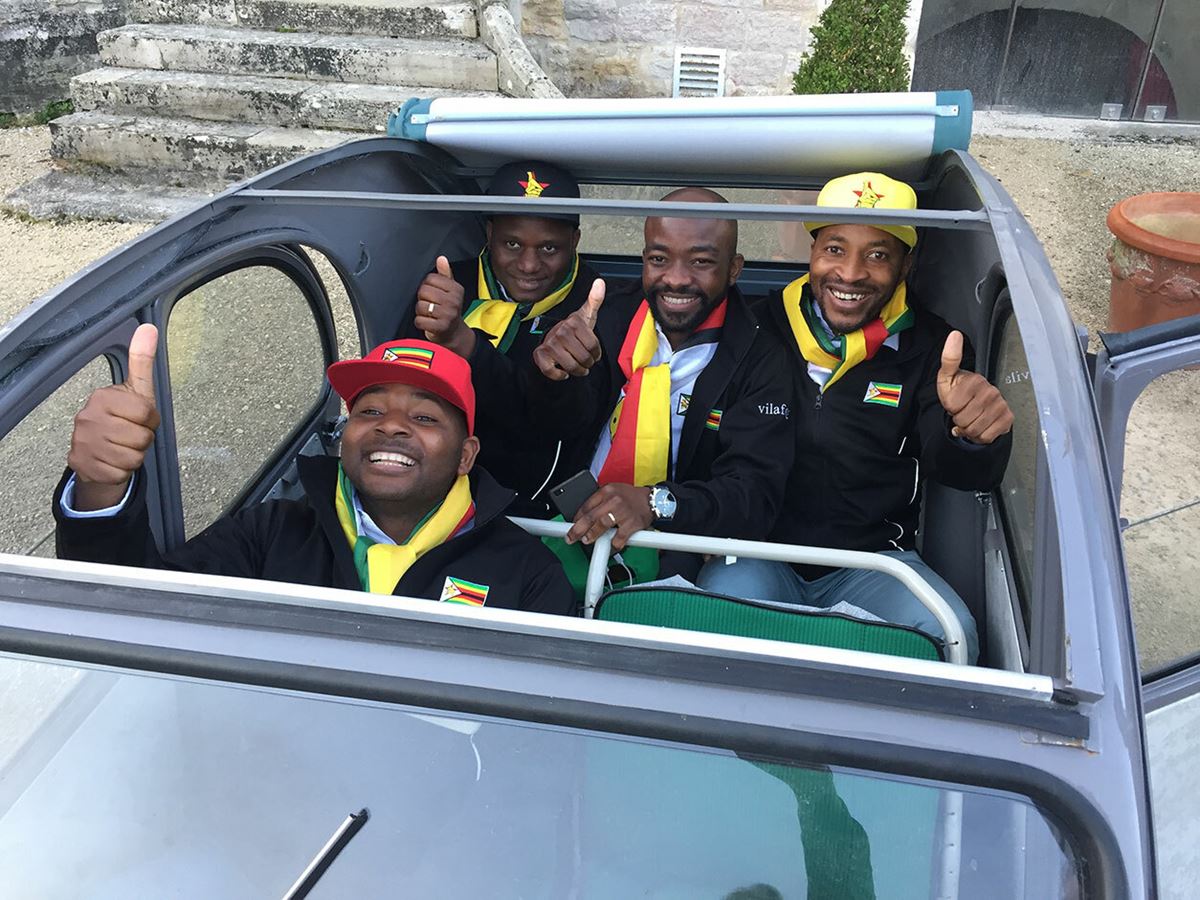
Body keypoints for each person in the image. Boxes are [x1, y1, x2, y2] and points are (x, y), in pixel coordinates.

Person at [699, 172, 1014, 663]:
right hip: (760, 552)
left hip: (874, 564)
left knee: (949, 635)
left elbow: (954, 465)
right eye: (834, 249)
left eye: (878, 255)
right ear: (812, 252)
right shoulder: (757, 327)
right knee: (711, 623)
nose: (850, 273)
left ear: (907, 264)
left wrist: (971, 434)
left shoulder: (933, 347)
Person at [53, 327, 576, 615]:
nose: (391, 426)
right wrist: (102, 486)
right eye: (370, 410)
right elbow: (139, 611)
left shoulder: (528, 575)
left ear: (466, 455)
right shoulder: (270, 533)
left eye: (424, 417)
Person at [527, 187, 795, 570]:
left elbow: (753, 494)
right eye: (659, 259)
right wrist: (551, 375)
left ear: (734, 269)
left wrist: (656, 503)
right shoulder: (604, 320)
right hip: (566, 527)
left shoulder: (761, 356)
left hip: (678, 547)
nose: (676, 279)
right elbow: (553, 428)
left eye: (701, 261)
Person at [408, 159, 603, 512]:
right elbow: (406, 388)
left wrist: (464, 343)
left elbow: (574, 426)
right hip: (439, 492)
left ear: (575, 240)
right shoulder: (448, 286)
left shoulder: (596, 303)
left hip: (541, 507)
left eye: (549, 248)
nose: (529, 265)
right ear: (489, 233)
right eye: (511, 244)